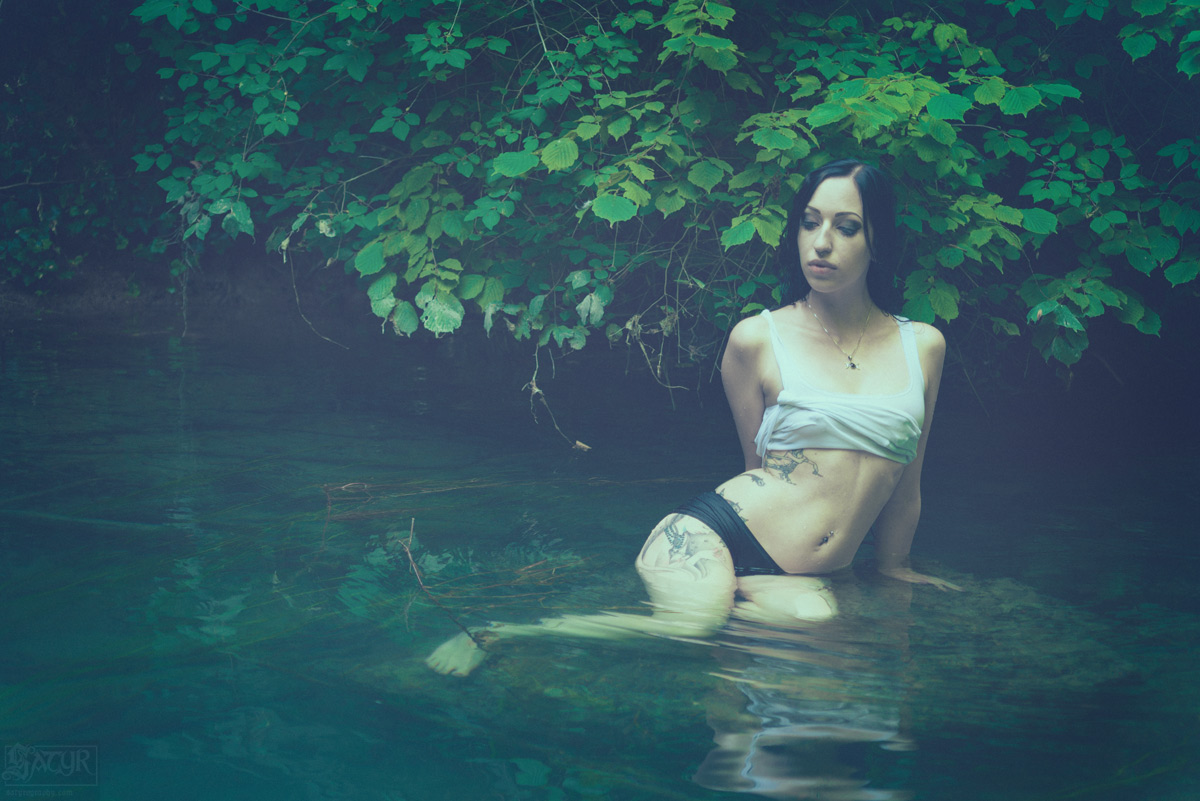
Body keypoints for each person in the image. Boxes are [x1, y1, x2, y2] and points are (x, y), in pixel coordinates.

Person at [427, 158, 960, 677]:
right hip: (713, 535)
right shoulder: (758, 338)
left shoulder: (922, 346)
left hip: (795, 573)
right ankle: (501, 633)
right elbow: (758, 470)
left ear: (878, 239)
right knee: (693, 626)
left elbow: (906, 486)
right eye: (809, 222)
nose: (821, 243)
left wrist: (894, 570)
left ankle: (732, 625)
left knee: (815, 627)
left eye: (846, 227)